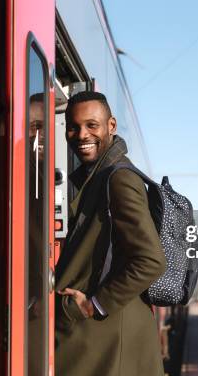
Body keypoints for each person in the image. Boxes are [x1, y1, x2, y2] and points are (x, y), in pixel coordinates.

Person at [55, 91, 166, 376]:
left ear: (111, 126)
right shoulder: (98, 177)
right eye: (73, 126)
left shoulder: (119, 179)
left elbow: (151, 260)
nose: (81, 134)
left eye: (92, 125)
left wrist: (95, 306)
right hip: (102, 337)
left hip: (109, 337)